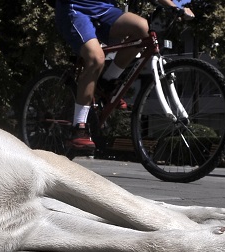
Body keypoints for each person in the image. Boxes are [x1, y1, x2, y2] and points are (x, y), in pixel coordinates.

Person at [54, 0, 194, 150]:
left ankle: (107, 82)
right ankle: (78, 128)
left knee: (142, 29)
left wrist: (174, 8)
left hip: (104, 8)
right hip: (75, 8)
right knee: (96, 59)